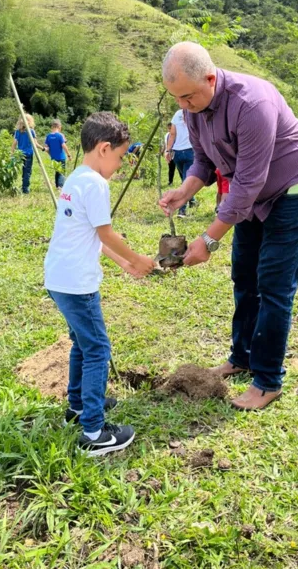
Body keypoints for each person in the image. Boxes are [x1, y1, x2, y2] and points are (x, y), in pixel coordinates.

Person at [159, 42, 298, 411]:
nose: (184, 106)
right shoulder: (193, 110)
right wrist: (184, 191)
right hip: (250, 194)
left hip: (293, 187)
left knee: (274, 283)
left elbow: (247, 184)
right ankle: (242, 356)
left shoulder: (252, 104)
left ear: (211, 78)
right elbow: (204, 160)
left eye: (188, 97)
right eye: (177, 99)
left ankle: (267, 380)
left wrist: (208, 239)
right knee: (244, 276)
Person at [44, 111, 156, 455]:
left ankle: (77, 407)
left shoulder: (76, 178)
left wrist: (124, 263)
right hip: (78, 285)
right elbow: (106, 232)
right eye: (121, 157)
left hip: (58, 279)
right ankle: (94, 433)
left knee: (82, 344)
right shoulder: (95, 183)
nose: (121, 165)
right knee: (97, 350)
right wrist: (138, 258)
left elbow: (92, 236)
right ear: (105, 148)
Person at [165, 108, 196, 218]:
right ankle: (182, 211)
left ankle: (192, 201)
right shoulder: (195, 111)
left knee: (184, 177)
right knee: (186, 180)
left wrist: (168, 150)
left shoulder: (177, 113)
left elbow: (172, 134)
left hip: (177, 153)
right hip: (190, 151)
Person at [12, 114, 44, 194]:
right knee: (27, 171)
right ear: (30, 122)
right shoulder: (31, 131)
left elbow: (14, 143)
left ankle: (22, 186)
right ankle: (25, 189)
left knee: (22, 170)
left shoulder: (17, 132)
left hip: (20, 154)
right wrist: (43, 148)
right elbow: (35, 144)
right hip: (28, 154)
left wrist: (12, 153)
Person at [45, 119, 72, 189]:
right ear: (59, 126)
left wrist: (51, 155)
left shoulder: (48, 136)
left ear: (52, 127)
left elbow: (46, 149)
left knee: (57, 171)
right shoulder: (60, 136)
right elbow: (64, 145)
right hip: (61, 157)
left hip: (53, 158)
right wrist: (69, 155)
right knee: (61, 172)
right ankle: (60, 186)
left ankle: (57, 185)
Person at [163, 122, 176, 186]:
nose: (169, 130)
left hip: (176, 151)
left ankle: (184, 181)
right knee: (171, 167)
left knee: (180, 168)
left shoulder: (176, 134)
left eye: (170, 128)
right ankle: (170, 181)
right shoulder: (166, 135)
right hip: (170, 152)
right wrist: (165, 152)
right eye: (168, 128)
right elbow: (165, 144)